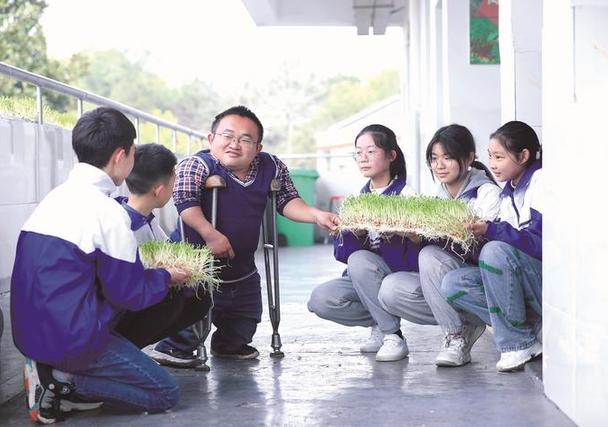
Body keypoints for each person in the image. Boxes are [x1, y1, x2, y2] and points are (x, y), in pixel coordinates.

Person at [11, 108, 188, 424]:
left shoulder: (54, 198)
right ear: (122, 155)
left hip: (31, 334)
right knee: (165, 393)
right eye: (134, 151)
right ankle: (60, 383)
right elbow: (130, 295)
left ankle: (57, 380)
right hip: (71, 340)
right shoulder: (108, 214)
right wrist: (166, 276)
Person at [155, 105, 339, 362]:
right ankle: (175, 348)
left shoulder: (271, 166)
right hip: (196, 263)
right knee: (191, 317)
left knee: (246, 315)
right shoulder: (196, 165)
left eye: (245, 139)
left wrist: (316, 215)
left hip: (241, 266)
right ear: (211, 139)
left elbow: (287, 200)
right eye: (227, 136)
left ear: (258, 148)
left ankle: (229, 344)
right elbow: (185, 203)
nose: (234, 144)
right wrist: (211, 235)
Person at [377, 124, 501, 367]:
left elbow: (485, 249)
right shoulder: (436, 196)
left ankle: (455, 337)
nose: (439, 165)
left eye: (447, 158)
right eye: (434, 159)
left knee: (431, 256)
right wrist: (414, 237)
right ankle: (465, 324)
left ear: (469, 158)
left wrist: (437, 237)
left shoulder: (487, 194)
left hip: (477, 282)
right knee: (390, 289)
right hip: (446, 280)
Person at [308, 124, 420, 362]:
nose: (363, 159)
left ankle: (393, 335)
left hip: (397, 279)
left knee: (361, 260)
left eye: (371, 151)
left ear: (391, 155)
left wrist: (395, 232)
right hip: (363, 277)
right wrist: (353, 234)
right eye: (358, 153)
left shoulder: (407, 197)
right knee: (320, 300)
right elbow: (342, 255)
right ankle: (380, 324)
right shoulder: (358, 200)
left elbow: (415, 253)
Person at [441, 120, 543, 372]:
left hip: (545, 280)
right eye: (490, 156)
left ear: (524, 155)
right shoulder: (509, 193)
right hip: (524, 281)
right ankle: (531, 333)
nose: (492, 164)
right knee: (454, 283)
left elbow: (541, 245)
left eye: (499, 157)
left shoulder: (541, 181)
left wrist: (491, 229)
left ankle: (516, 344)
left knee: (495, 250)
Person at [113, 143, 211, 369]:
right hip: (116, 308)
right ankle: (119, 352)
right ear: (159, 190)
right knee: (173, 299)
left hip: (135, 295)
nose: (174, 187)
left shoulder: (145, 218)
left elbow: (168, 251)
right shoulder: (122, 224)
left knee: (198, 294)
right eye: (173, 180)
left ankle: (132, 348)